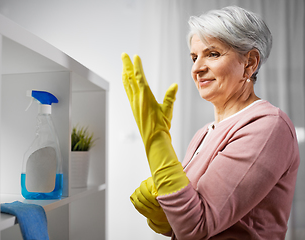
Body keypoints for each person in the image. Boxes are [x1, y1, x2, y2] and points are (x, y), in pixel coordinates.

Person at [122, 5, 300, 240]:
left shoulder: (268, 127)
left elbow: (196, 227)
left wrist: (156, 140)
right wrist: (161, 216)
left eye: (213, 54)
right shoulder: (203, 135)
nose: (197, 68)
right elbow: (187, 218)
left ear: (250, 63)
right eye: (194, 57)